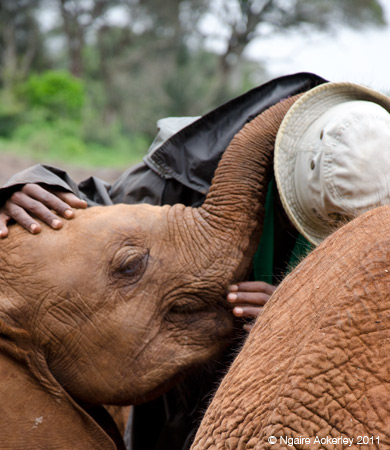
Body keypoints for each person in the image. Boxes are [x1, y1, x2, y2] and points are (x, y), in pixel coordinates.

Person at [4, 72, 390, 449]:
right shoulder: (189, 166)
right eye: (297, 213)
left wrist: (296, 323)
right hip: (174, 418)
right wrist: (19, 190)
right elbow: (92, 219)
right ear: (285, 165)